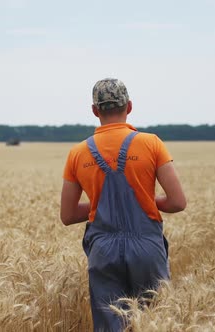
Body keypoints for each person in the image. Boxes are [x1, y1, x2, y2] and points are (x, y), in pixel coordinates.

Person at [60, 78, 186, 331]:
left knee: (111, 325)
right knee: (155, 322)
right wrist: (146, 200)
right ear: (129, 106)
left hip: (103, 250)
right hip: (146, 247)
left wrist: (98, 203)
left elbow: (68, 214)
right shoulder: (151, 143)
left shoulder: (78, 153)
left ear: (95, 111)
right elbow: (177, 202)